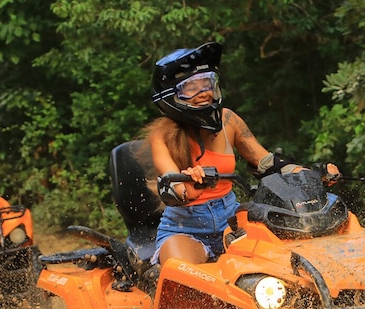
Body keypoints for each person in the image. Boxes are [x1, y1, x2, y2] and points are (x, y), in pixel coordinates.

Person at [139, 41, 339, 266]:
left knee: (283, 263)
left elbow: (267, 163)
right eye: (192, 88)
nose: (203, 93)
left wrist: (309, 176)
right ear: (171, 96)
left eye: (207, 84)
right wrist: (192, 188)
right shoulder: (162, 136)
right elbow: (173, 189)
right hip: (185, 229)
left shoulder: (229, 120)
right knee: (182, 272)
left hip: (234, 223)